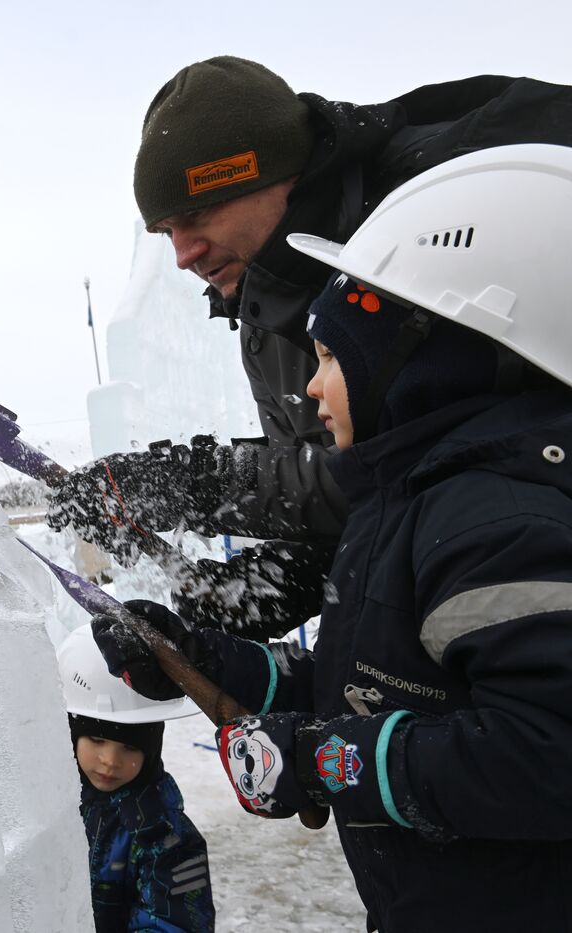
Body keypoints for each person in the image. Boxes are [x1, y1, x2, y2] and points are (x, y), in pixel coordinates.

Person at [95, 145, 572, 930]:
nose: (311, 387)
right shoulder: (400, 502)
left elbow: (549, 748)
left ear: (420, 358)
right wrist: (207, 660)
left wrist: (328, 762)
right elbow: (367, 681)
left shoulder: (498, 518)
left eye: (327, 355)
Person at [48, 57, 572, 636]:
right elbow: (345, 508)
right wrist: (252, 594)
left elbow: (415, 464)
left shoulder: (426, 240)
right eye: (166, 231)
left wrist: (191, 482)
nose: (183, 253)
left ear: (275, 173)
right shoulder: (261, 315)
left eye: (196, 215)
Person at [57, 625, 214, 932]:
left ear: (152, 750)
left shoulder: (165, 835)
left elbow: (175, 923)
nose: (110, 761)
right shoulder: (51, 802)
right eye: (96, 740)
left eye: (130, 747)